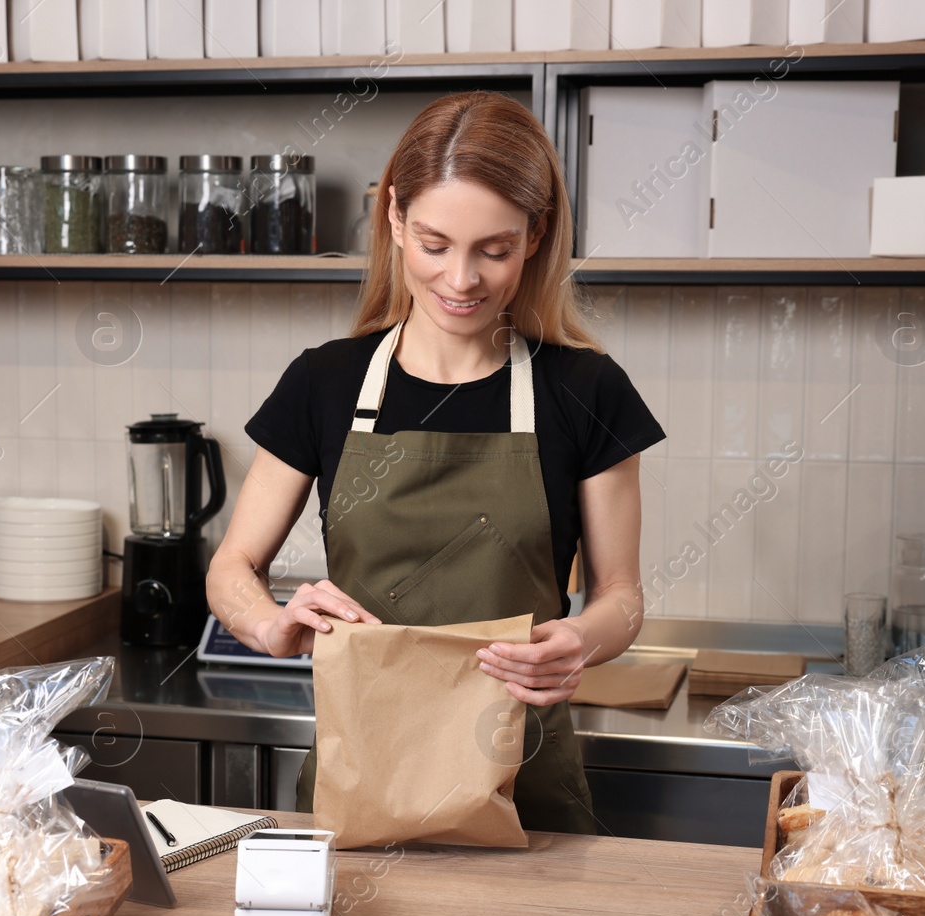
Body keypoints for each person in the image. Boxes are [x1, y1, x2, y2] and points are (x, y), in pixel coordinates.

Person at [206, 91, 665, 835]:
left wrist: (581, 639)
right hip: (360, 788)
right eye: (434, 244)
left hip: (524, 788)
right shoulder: (324, 382)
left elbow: (623, 596)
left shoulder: (586, 389)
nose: (461, 280)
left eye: (495, 249)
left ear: (535, 235)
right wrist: (271, 624)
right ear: (393, 219)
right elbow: (230, 569)